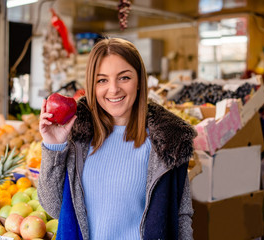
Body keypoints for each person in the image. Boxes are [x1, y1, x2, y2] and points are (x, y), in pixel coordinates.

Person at [38, 37, 197, 240]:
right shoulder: (78, 138)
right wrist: (53, 145)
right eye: (102, 80)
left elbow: (181, 216)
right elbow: (54, 207)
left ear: (139, 81)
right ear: (92, 86)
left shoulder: (168, 142)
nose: (113, 89)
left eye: (124, 78)